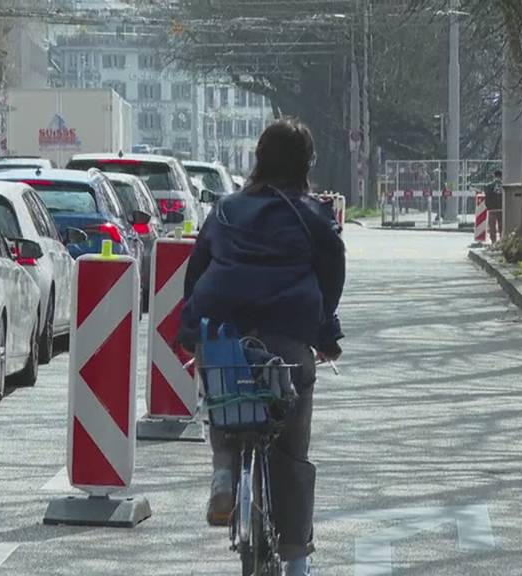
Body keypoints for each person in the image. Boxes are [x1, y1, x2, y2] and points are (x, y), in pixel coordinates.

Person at [179, 118, 345, 576]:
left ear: (258, 158)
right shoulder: (314, 215)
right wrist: (325, 334)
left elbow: (196, 274)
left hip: (224, 335)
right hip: (286, 340)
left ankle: (224, 473)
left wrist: (191, 331)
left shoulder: (226, 210)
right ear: (305, 165)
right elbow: (331, 278)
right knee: (291, 450)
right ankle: (295, 563)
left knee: (225, 397)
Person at [485, 169, 504, 243]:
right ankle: (502, 241)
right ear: (501, 176)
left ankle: (493, 242)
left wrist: (488, 206)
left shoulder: (490, 185)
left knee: (492, 227)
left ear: (494, 176)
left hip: (492, 209)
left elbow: (487, 196)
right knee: (501, 227)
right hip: (501, 209)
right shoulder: (503, 185)